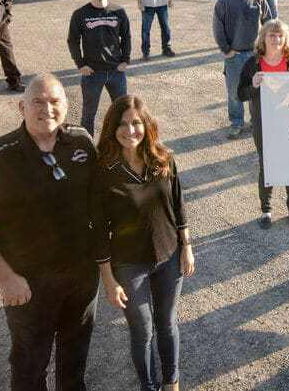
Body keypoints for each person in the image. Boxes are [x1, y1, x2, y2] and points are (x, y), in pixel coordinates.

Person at [0, 74, 99, 391]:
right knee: (29, 365)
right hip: (29, 284)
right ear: (21, 107)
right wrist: (6, 278)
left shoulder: (82, 142)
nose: (46, 109)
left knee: (74, 360)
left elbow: (103, 201)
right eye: (38, 102)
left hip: (81, 279)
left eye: (54, 102)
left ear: (66, 105)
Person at [92, 95, 194, 391]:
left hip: (169, 255)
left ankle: (171, 383)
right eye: (122, 124)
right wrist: (108, 279)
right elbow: (98, 229)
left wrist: (186, 246)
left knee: (167, 323)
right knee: (142, 330)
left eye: (136, 122)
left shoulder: (163, 158)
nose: (130, 130)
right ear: (112, 128)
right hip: (129, 262)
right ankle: (148, 386)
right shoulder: (103, 172)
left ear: (147, 125)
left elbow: (178, 203)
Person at [237, 19, 289, 229]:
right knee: (267, 166)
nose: (276, 39)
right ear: (263, 37)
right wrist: (253, 85)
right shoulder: (253, 63)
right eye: (272, 35)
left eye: (280, 35)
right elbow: (240, 93)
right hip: (264, 124)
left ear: (286, 38)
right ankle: (266, 211)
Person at [68, 0, 131, 135]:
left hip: (116, 72)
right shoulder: (80, 14)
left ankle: (118, 145)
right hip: (92, 73)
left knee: (122, 112)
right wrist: (80, 64)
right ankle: (87, 150)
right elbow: (72, 40)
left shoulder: (119, 12)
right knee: (89, 115)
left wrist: (125, 60)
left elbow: (126, 36)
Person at [213, 0, 271, 139]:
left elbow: (270, 25)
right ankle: (237, 123)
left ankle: (257, 122)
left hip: (256, 56)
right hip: (235, 56)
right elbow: (218, 29)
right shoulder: (224, 2)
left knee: (258, 90)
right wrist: (227, 50)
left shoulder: (258, 0)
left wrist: (267, 50)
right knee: (234, 92)